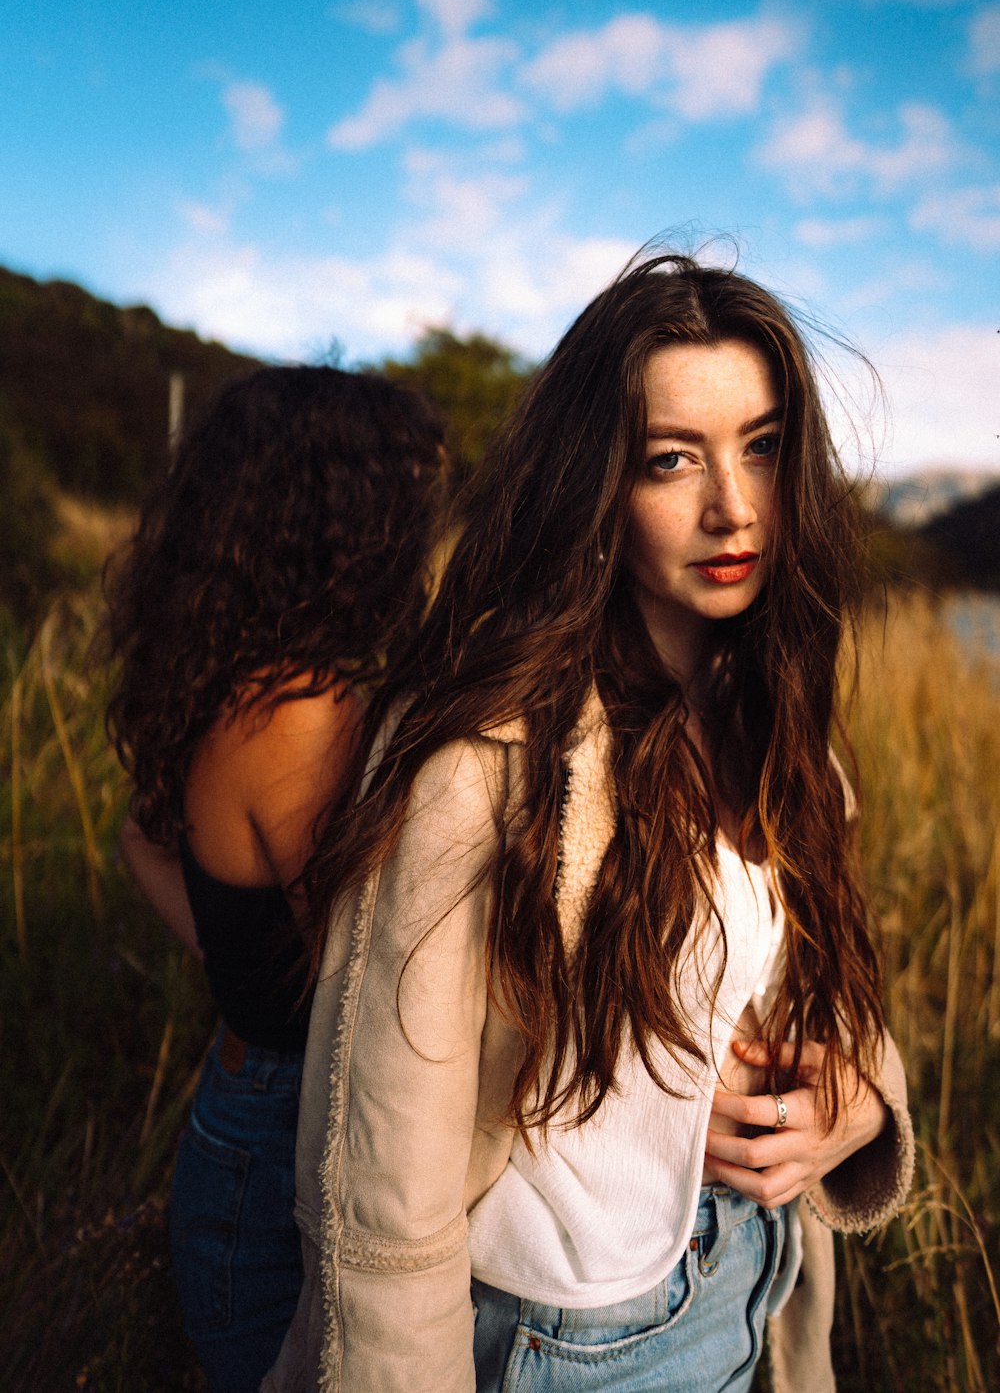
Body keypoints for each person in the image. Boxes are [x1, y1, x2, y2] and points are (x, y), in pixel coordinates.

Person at [264, 255, 914, 1393]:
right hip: (567, 1344)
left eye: (760, 446)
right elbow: (381, 1197)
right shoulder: (483, 755)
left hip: (751, 1285)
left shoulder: (785, 723)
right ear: (597, 481)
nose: (732, 507)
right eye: (672, 459)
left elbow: (822, 1002)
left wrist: (856, 1103)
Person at [103, 364, 446, 1393]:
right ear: (349, 521)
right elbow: (374, 962)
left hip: (244, 1105)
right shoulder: (308, 715)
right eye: (408, 502)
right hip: (280, 1146)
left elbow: (140, 838)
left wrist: (234, 958)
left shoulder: (239, 678)